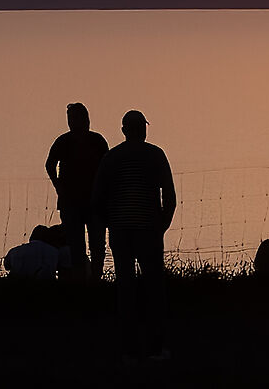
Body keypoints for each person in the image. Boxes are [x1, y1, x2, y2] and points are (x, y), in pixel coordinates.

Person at [92, 109, 177, 362]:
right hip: (149, 231)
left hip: (121, 232)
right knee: (154, 290)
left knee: (126, 290)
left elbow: (97, 199)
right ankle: (155, 348)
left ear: (123, 130)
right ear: (144, 129)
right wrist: (161, 224)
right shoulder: (156, 155)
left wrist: (111, 224)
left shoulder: (111, 158)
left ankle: (128, 349)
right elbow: (169, 197)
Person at [45, 102, 110, 279]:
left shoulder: (97, 141)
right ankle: (81, 280)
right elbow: (49, 164)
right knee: (76, 245)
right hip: (71, 203)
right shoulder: (63, 141)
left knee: (97, 244)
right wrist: (58, 186)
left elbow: (107, 168)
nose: (72, 122)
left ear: (85, 119)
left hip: (94, 202)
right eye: (70, 118)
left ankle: (96, 278)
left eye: (75, 117)